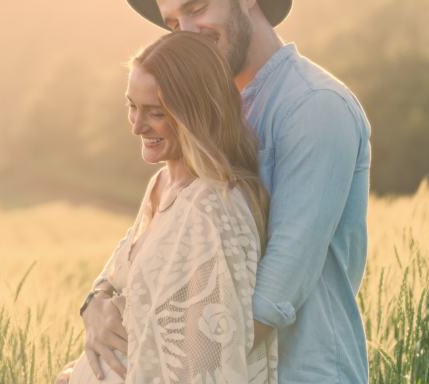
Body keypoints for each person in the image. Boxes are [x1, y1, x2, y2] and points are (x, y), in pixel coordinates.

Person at [68, 0, 372, 383]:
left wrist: (122, 367)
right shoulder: (203, 106)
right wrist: (95, 305)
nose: (188, 31)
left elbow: (274, 296)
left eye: (197, 7)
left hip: (302, 371)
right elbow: (141, 250)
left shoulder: (313, 107)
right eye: (174, 23)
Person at [58, 32, 277, 383]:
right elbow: (117, 279)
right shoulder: (160, 185)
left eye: (155, 113)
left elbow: (208, 367)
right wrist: (93, 307)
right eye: (131, 105)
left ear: (194, 113)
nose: (136, 126)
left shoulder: (212, 211)